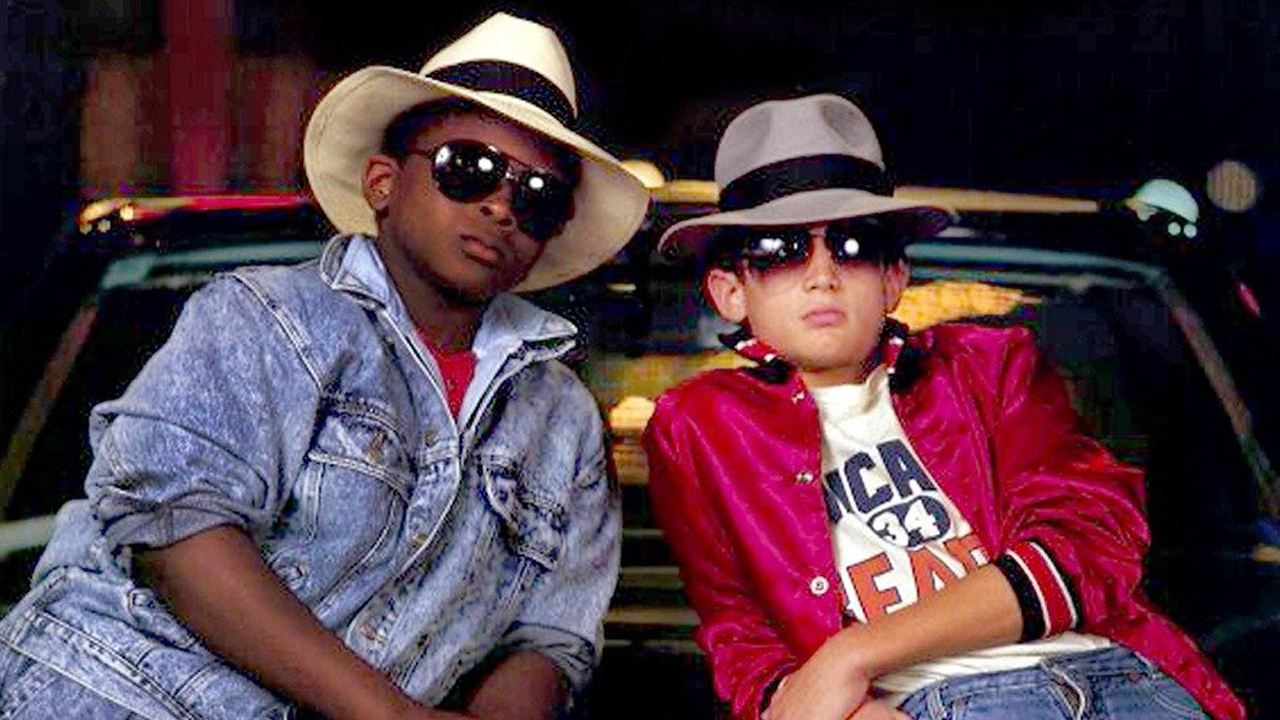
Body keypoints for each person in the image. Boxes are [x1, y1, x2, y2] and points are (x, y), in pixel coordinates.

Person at [0, 12, 648, 720]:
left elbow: (549, 637)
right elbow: (175, 527)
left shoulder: (563, 420)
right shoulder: (264, 316)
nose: (500, 207)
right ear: (382, 183)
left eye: (537, 196)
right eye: (469, 168)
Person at [642, 93, 1245, 720]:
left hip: (1122, 676)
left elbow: (1084, 545)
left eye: (853, 244)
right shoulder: (698, 426)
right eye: (779, 248)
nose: (822, 274)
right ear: (731, 291)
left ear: (893, 278)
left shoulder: (990, 363)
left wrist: (851, 656)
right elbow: (740, 633)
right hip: (941, 704)